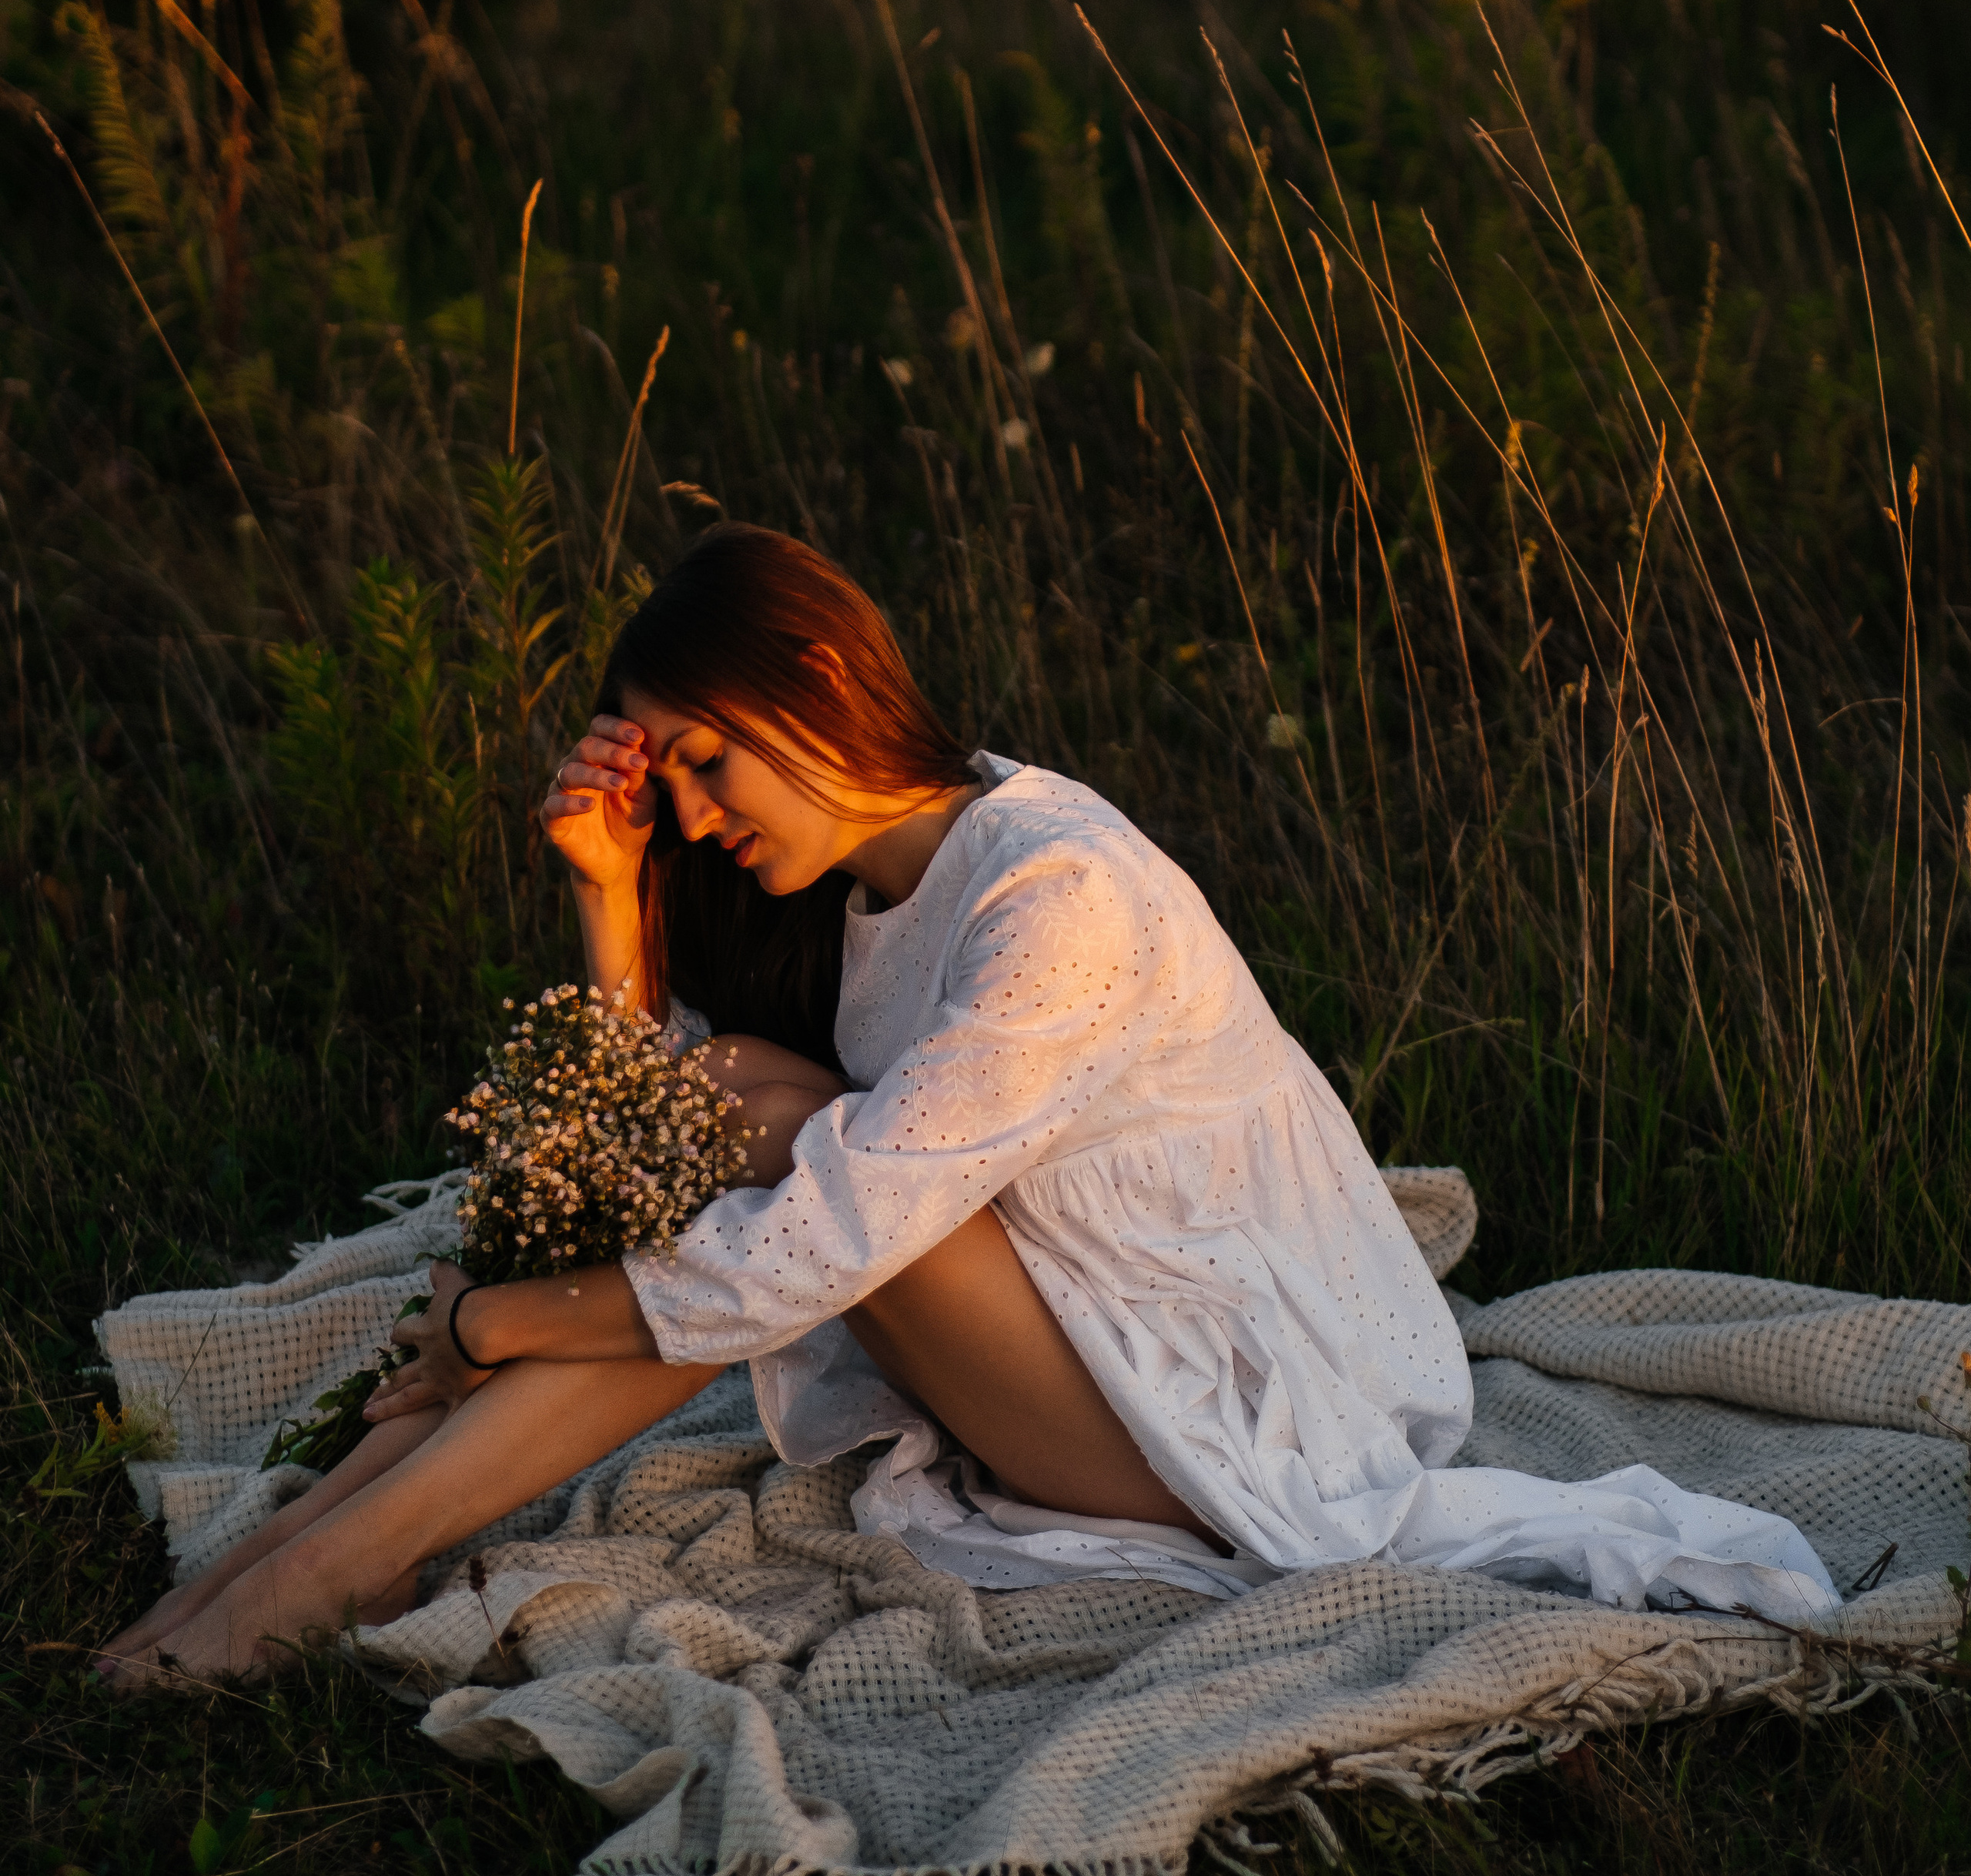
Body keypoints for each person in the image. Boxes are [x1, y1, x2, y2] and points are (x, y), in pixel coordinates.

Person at [100, 524, 1835, 1685]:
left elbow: (803, 1252)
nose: (693, 812)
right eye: (669, 779)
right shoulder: (877, 882)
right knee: (724, 1107)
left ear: (812, 693)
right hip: (1084, 1339)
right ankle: (335, 1539)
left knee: (787, 1195)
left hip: (1227, 1424)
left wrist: (496, 1314)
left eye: (707, 760)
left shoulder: (1050, 892)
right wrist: (610, 902)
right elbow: (644, 1144)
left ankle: (328, 1563)